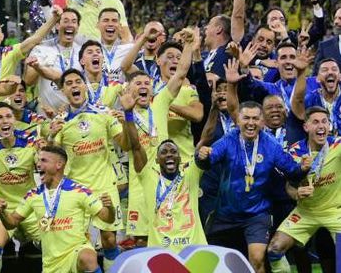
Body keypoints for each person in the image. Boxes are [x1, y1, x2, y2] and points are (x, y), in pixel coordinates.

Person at [195, 101, 311, 273]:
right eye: (246, 118)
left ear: (262, 122)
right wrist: (202, 157)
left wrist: (303, 168)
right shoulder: (228, 140)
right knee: (215, 263)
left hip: (257, 214)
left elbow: (291, 171)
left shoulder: (271, 145)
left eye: (255, 118)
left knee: (256, 260)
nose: (251, 123)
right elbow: (207, 162)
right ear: (238, 121)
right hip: (225, 214)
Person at [0, 144, 116, 273]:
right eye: (38, 160)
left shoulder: (79, 190)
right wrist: (2, 212)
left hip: (75, 252)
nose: (38, 164)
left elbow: (107, 218)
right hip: (51, 264)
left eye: (43, 160)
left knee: (88, 258)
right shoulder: (33, 195)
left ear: (59, 164)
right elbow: (12, 222)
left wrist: (110, 208)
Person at [50, 68, 126, 269]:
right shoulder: (60, 121)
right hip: (76, 190)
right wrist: (50, 136)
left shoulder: (104, 112)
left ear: (85, 86)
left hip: (104, 186)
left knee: (110, 240)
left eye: (78, 81)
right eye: (69, 83)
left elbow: (125, 144)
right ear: (63, 91)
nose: (74, 86)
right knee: (81, 245)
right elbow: (53, 159)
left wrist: (127, 120)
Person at [121, 87, 206, 251]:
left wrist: (214, 109)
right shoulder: (149, 177)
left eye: (173, 152)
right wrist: (129, 114)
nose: (169, 155)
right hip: (161, 255)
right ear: (157, 159)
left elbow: (206, 137)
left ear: (180, 158)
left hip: (193, 253)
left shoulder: (190, 174)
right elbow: (136, 146)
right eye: (164, 152)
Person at [267, 107, 339, 273]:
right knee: (274, 249)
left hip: (336, 212)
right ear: (306, 127)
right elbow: (289, 185)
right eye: (315, 122)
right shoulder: (295, 152)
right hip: (306, 212)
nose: (321, 126)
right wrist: (296, 194)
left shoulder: (337, 145)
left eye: (324, 122)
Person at [0, 102, 43, 273]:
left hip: (29, 206)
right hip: (2, 207)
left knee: (53, 243)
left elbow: (41, 163)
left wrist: (43, 152)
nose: (5, 121)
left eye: (8, 116)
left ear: (14, 120)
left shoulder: (30, 140)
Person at [25, 8, 82, 108]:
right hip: (47, 114)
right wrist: (41, 64)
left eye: (74, 21)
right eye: (65, 21)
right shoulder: (41, 49)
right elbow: (28, 81)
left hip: (76, 113)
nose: (70, 24)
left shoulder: (83, 52)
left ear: (77, 27)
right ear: (57, 25)